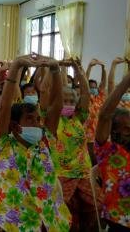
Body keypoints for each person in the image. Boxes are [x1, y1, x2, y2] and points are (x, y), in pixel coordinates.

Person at [0, 54, 71, 232]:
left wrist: (54, 69)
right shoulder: (5, 145)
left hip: (50, 217)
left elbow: (56, 106)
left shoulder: (45, 142)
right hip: (15, 221)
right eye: (30, 119)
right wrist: (16, 66)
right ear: (14, 126)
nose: (37, 124)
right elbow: (4, 107)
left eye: (38, 119)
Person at [48, 58, 102, 231]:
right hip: (61, 174)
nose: (69, 103)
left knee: (96, 207)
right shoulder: (52, 120)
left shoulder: (79, 118)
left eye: (72, 100)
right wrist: (56, 71)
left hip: (83, 172)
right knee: (66, 214)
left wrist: (78, 70)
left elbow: (86, 94)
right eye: (65, 100)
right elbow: (50, 94)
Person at [95, 70, 130, 232]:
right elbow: (104, 115)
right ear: (113, 131)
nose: (129, 131)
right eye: (124, 128)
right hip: (120, 218)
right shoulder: (107, 151)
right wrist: (128, 78)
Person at [84, 58, 107, 162]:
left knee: (96, 154)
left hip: (97, 129)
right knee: (88, 153)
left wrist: (103, 68)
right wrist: (89, 67)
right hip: (87, 129)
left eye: (94, 87)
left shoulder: (100, 97)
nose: (93, 89)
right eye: (91, 87)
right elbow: (84, 79)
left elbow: (103, 82)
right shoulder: (86, 97)